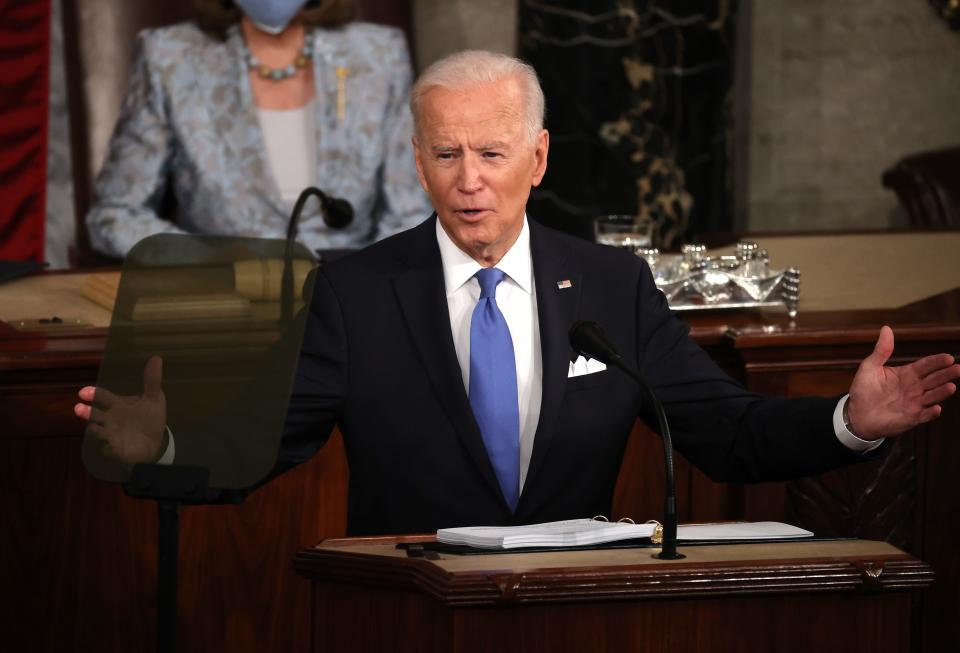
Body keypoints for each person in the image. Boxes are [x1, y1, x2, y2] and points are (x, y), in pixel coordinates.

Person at [76, 50, 960, 536]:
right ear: (418, 162)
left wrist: (848, 420)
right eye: (447, 154)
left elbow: (724, 431)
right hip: (413, 617)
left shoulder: (612, 285)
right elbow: (261, 443)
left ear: (536, 159)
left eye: (492, 154)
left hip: (576, 618)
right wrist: (166, 444)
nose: (470, 180)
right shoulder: (355, 292)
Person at [86, 0, 431, 259]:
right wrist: (210, 261)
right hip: (223, 305)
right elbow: (115, 215)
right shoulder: (168, 56)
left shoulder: (379, 54)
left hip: (352, 302)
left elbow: (409, 213)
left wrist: (363, 284)